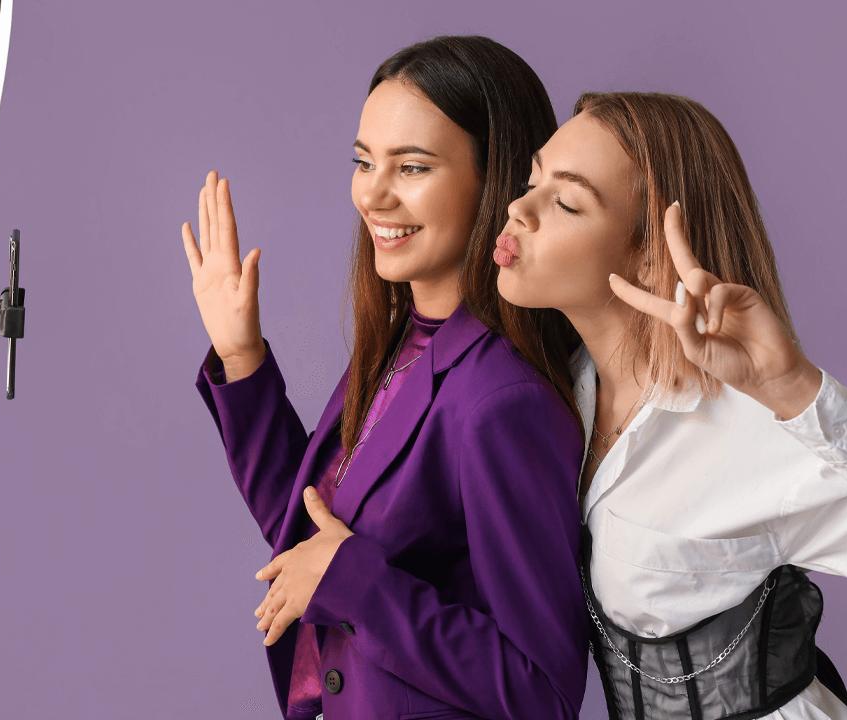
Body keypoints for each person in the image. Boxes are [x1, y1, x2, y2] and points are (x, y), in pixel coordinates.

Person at [493, 91, 847, 719]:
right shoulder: (554, 396)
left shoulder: (749, 424)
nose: (519, 208)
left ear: (652, 252)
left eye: (567, 201)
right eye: (532, 180)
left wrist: (794, 388)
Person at [181, 37, 589, 719]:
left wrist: (355, 583)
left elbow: (540, 692)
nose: (372, 193)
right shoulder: (405, 344)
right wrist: (242, 354)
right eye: (364, 161)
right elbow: (308, 528)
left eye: (413, 167)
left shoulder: (501, 399)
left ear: (497, 182)